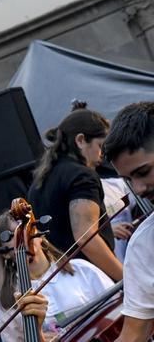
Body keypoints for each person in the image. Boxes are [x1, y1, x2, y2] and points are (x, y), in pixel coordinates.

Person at [27, 105, 122, 280]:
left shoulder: (40, 181)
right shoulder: (82, 176)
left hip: (64, 280)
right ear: (80, 140)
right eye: (100, 145)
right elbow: (86, 237)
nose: (103, 154)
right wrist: (124, 278)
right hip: (91, 280)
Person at [0, 212, 114, 341]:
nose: (22, 236)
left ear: (39, 235)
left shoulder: (81, 269)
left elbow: (119, 307)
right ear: (4, 253)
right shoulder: (5, 297)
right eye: (10, 236)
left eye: (26, 228)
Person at [103, 101, 154, 342]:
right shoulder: (144, 244)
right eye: (128, 179)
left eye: (143, 172)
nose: (139, 189)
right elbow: (133, 335)